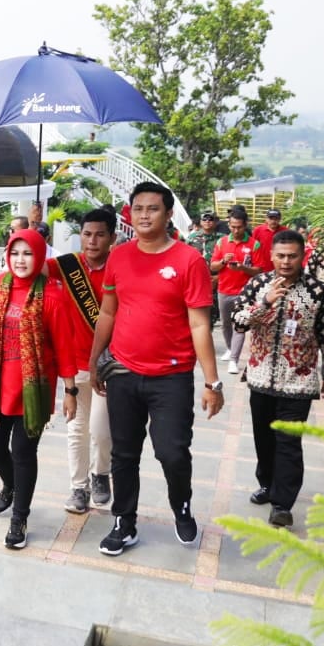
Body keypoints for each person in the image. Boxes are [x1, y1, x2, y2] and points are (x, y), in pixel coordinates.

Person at [89, 181, 224, 558]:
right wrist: (95, 358)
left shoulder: (188, 260)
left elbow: (200, 324)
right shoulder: (119, 256)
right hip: (123, 372)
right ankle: (124, 521)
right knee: (124, 454)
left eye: (152, 208)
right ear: (129, 214)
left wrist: (213, 382)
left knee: (173, 452)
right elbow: (108, 311)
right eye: (138, 208)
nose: (144, 215)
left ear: (167, 214)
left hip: (172, 376)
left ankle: (181, 506)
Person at [0, 229, 77, 550]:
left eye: (28, 254)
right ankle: (10, 484)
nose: (21, 260)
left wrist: (70, 391)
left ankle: (20, 518)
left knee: (25, 453)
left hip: (33, 391)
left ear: (40, 256)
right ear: (7, 256)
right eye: (15, 253)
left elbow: (64, 347)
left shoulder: (53, 295)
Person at [232, 230, 324, 528]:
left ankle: (283, 503)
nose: (286, 261)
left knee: (289, 443)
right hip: (260, 378)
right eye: (280, 255)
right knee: (263, 438)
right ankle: (267, 484)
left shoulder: (317, 291)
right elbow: (237, 322)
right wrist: (264, 303)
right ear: (271, 255)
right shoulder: (257, 284)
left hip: (299, 381)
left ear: (302, 255)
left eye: (292, 255)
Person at [47, 208, 116, 513]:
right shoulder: (67, 266)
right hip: (72, 366)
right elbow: (30, 265)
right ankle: (78, 488)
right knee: (76, 428)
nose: (92, 241)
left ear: (112, 237)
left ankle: (101, 474)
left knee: (101, 431)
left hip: (107, 364)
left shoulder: (120, 267)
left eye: (100, 234)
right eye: (87, 234)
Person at [210, 207, 262, 375]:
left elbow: (258, 270)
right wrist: (223, 262)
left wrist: (242, 268)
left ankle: (234, 359)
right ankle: (230, 348)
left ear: (245, 225)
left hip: (244, 292)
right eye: (232, 226)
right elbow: (213, 266)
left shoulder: (254, 244)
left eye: (239, 226)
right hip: (224, 290)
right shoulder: (221, 242)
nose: (236, 230)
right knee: (225, 324)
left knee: (239, 324)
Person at [186, 210, 227, 325]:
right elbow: (185, 260)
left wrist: (219, 277)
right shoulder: (192, 238)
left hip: (215, 282)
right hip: (196, 281)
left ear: (216, 221)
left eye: (211, 219)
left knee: (211, 317)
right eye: (205, 219)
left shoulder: (223, 239)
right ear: (200, 221)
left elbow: (229, 262)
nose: (207, 222)